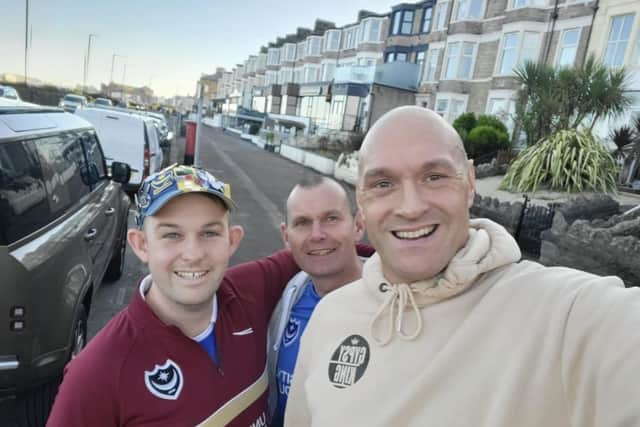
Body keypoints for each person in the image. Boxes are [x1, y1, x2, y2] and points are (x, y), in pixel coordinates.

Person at [285, 106, 640, 427]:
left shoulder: (565, 314)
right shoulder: (329, 316)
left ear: (469, 183)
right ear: (361, 201)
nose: (410, 206)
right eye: (383, 184)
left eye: (434, 176)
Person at [47, 164, 301, 427]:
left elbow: (317, 249)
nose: (192, 254)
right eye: (172, 234)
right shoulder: (96, 374)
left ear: (232, 241)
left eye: (210, 233)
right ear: (141, 245)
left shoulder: (250, 291)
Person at [267, 176, 365, 426]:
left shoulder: (395, 304)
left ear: (358, 225)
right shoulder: (285, 301)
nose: (317, 234)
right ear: (286, 237)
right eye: (302, 223)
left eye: (331, 218)